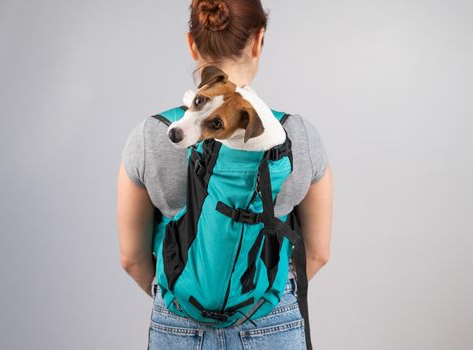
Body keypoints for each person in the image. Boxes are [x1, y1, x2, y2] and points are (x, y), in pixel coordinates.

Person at [117, 0, 332, 348]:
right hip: (270, 316)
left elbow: (131, 258)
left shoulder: (148, 135)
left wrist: (181, 298)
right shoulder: (299, 134)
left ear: (191, 42)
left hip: (178, 319)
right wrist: (261, 296)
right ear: (259, 40)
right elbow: (319, 253)